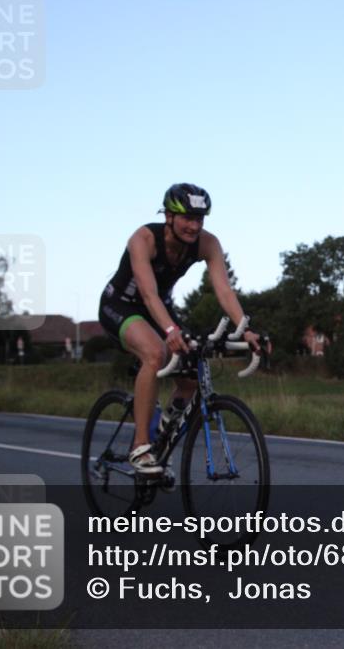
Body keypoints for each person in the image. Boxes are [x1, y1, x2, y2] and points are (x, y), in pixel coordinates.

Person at [98, 183, 262, 476]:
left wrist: (246, 329)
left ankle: (163, 434)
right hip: (122, 305)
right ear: (169, 217)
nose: (193, 225)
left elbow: (224, 291)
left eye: (199, 219)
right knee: (154, 352)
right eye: (187, 217)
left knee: (190, 379)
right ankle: (140, 447)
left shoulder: (207, 244)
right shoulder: (144, 239)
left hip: (160, 309)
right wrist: (171, 330)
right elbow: (147, 294)